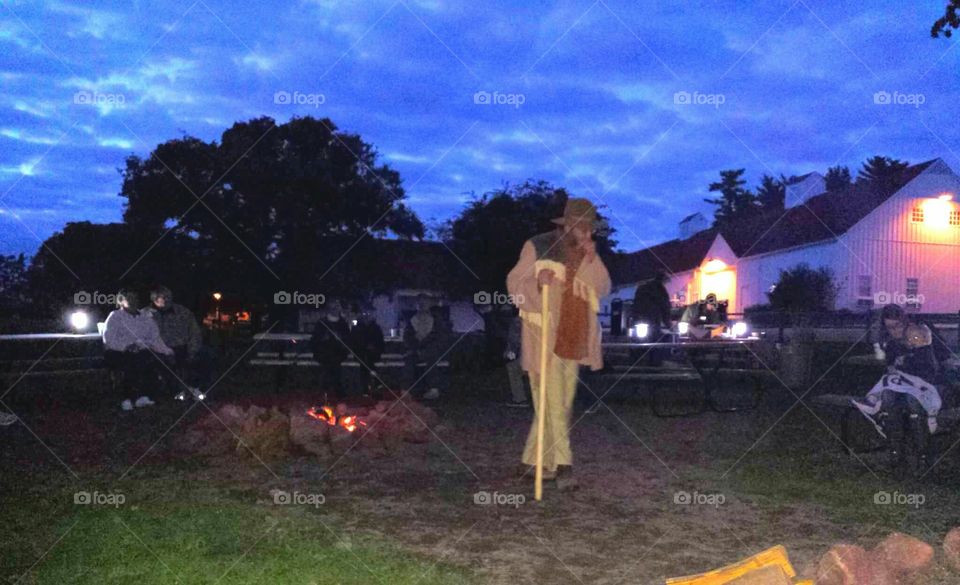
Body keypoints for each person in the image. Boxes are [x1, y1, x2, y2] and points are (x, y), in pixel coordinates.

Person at [506, 197, 611, 487]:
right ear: (568, 224)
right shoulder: (538, 246)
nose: (586, 232)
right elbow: (515, 284)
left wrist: (591, 259)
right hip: (545, 338)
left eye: (589, 227)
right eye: (580, 225)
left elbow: (602, 288)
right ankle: (564, 465)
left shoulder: (588, 252)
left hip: (575, 336)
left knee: (559, 405)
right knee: (551, 401)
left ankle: (535, 462)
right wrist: (538, 282)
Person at [853, 304, 943, 471]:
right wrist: (896, 364)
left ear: (904, 321)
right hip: (903, 385)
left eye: (897, 326)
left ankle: (923, 456)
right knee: (888, 395)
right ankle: (896, 454)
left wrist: (905, 362)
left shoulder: (919, 332)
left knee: (913, 401)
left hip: (930, 384)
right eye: (889, 327)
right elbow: (890, 365)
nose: (894, 331)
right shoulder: (892, 342)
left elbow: (931, 367)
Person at [102, 289, 174, 410]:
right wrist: (126, 346)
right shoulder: (115, 317)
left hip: (142, 350)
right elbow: (109, 339)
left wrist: (167, 351)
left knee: (152, 359)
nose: (133, 301)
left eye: (135, 298)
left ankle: (145, 395)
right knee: (133, 361)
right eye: (129, 298)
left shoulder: (145, 318)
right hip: (119, 351)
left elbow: (155, 338)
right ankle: (127, 397)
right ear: (121, 301)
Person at [144, 285, 208, 401]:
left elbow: (194, 333)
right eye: (163, 297)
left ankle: (197, 388)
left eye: (169, 297)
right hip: (156, 350)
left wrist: (192, 350)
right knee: (164, 362)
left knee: (205, 356)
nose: (167, 300)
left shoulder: (183, 312)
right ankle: (180, 391)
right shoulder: (145, 315)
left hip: (181, 347)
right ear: (154, 300)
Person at [403, 295, 450, 400]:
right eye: (419, 303)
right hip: (416, 350)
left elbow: (439, 337)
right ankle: (407, 390)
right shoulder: (412, 320)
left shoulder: (436, 320)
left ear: (429, 304)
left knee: (431, 358)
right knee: (409, 360)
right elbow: (407, 337)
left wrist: (426, 347)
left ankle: (433, 389)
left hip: (432, 350)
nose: (422, 305)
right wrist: (415, 347)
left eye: (424, 302)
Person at [310, 300, 350, 402]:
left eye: (337, 307)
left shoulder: (343, 324)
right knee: (326, 370)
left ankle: (336, 393)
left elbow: (348, 339)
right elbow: (315, 340)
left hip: (338, 354)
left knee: (335, 370)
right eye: (333, 307)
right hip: (324, 354)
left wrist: (340, 339)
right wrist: (324, 339)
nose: (335, 310)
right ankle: (325, 393)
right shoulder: (322, 323)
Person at [631, 271, 672, 365]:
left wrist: (635, 318)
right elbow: (665, 307)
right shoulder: (660, 290)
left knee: (639, 342)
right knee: (654, 342)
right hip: (653, 320)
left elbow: (635, 304)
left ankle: (637, 364)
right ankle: (654, 363)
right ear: (663, 280)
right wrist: (668, 324)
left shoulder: (642, 287)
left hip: (639, 319)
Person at [347, 302, 386, 397]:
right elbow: (353, 341)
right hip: (360, 352)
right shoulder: (357, 326)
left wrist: (373, 347)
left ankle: (366, 389)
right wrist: (363, 346)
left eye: (369, 313)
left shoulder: (376, 327)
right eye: (365, 313)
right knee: (364, 359)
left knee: (365, 361)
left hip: (373, 353)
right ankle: (375, 382)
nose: (367, 315)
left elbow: (380, 342)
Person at [503, 306, 529, 408]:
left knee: (513, 369)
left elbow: (516, 339)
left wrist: (512, 351)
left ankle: (519, 399)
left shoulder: (517, 322)